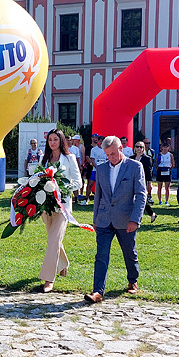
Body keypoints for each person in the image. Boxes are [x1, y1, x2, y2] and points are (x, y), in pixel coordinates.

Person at [84, 135, 146, 303]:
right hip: (104, 219)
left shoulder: (135, 167)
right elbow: (98, 195)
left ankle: (133, 280)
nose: (110, 157)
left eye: (112, 153)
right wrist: (95, 218)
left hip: (126, 219)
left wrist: (135, 219)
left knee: (129, 252)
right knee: (101, 255)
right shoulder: (102, 169)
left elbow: (141, 195)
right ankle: (97, 291)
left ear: (120, 149)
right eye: (107, 155)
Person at [38, 130, 83, 293]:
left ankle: (49, 279)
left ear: (61, 141)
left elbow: (78, 182)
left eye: (55, 139)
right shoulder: (45, 159)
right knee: (53, 240)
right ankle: (63, 264)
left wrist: (63, 188)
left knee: (54, 239)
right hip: (46, 206)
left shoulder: (70, 158)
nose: (52, 142)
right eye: (50, 139)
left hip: (63, 206)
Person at [133, 141, 157, 223]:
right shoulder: (131, 158)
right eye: (137, 146)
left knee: (142, 199)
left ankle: (150, 214)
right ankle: (151, 214)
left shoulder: (147, 159)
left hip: (142, 181)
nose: (139, 148)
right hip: (132, 181)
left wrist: (149, 183)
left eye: (141, 147)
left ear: (143, 149)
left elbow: (149, 172)